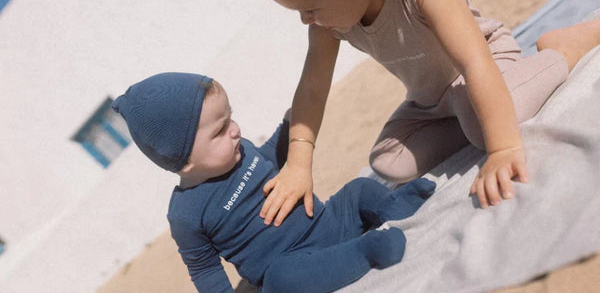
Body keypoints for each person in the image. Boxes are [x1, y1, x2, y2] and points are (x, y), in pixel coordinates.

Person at [248, 0, 600, 224]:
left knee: (489, 130)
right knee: (388, 160)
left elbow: (475, 63)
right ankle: (473, 117)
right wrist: (298, 164)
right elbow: (312, 89)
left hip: (485, 63)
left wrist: (502, 148)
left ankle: (563, 49)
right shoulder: (328, 24)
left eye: (310, 8)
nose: (305, 20)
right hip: (431, 101)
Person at [111, 72, 436, 293]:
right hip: (293, 262)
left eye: (230, 118)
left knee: (358, 189)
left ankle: (395, 206)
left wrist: (287, 125)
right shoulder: (186, 214)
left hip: (328, 221)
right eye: (220, 129)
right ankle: (367, 251)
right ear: (184, 159)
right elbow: (205, 270)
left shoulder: (241, 150)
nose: (235, 129)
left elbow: (270, 158)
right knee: (281, 281)